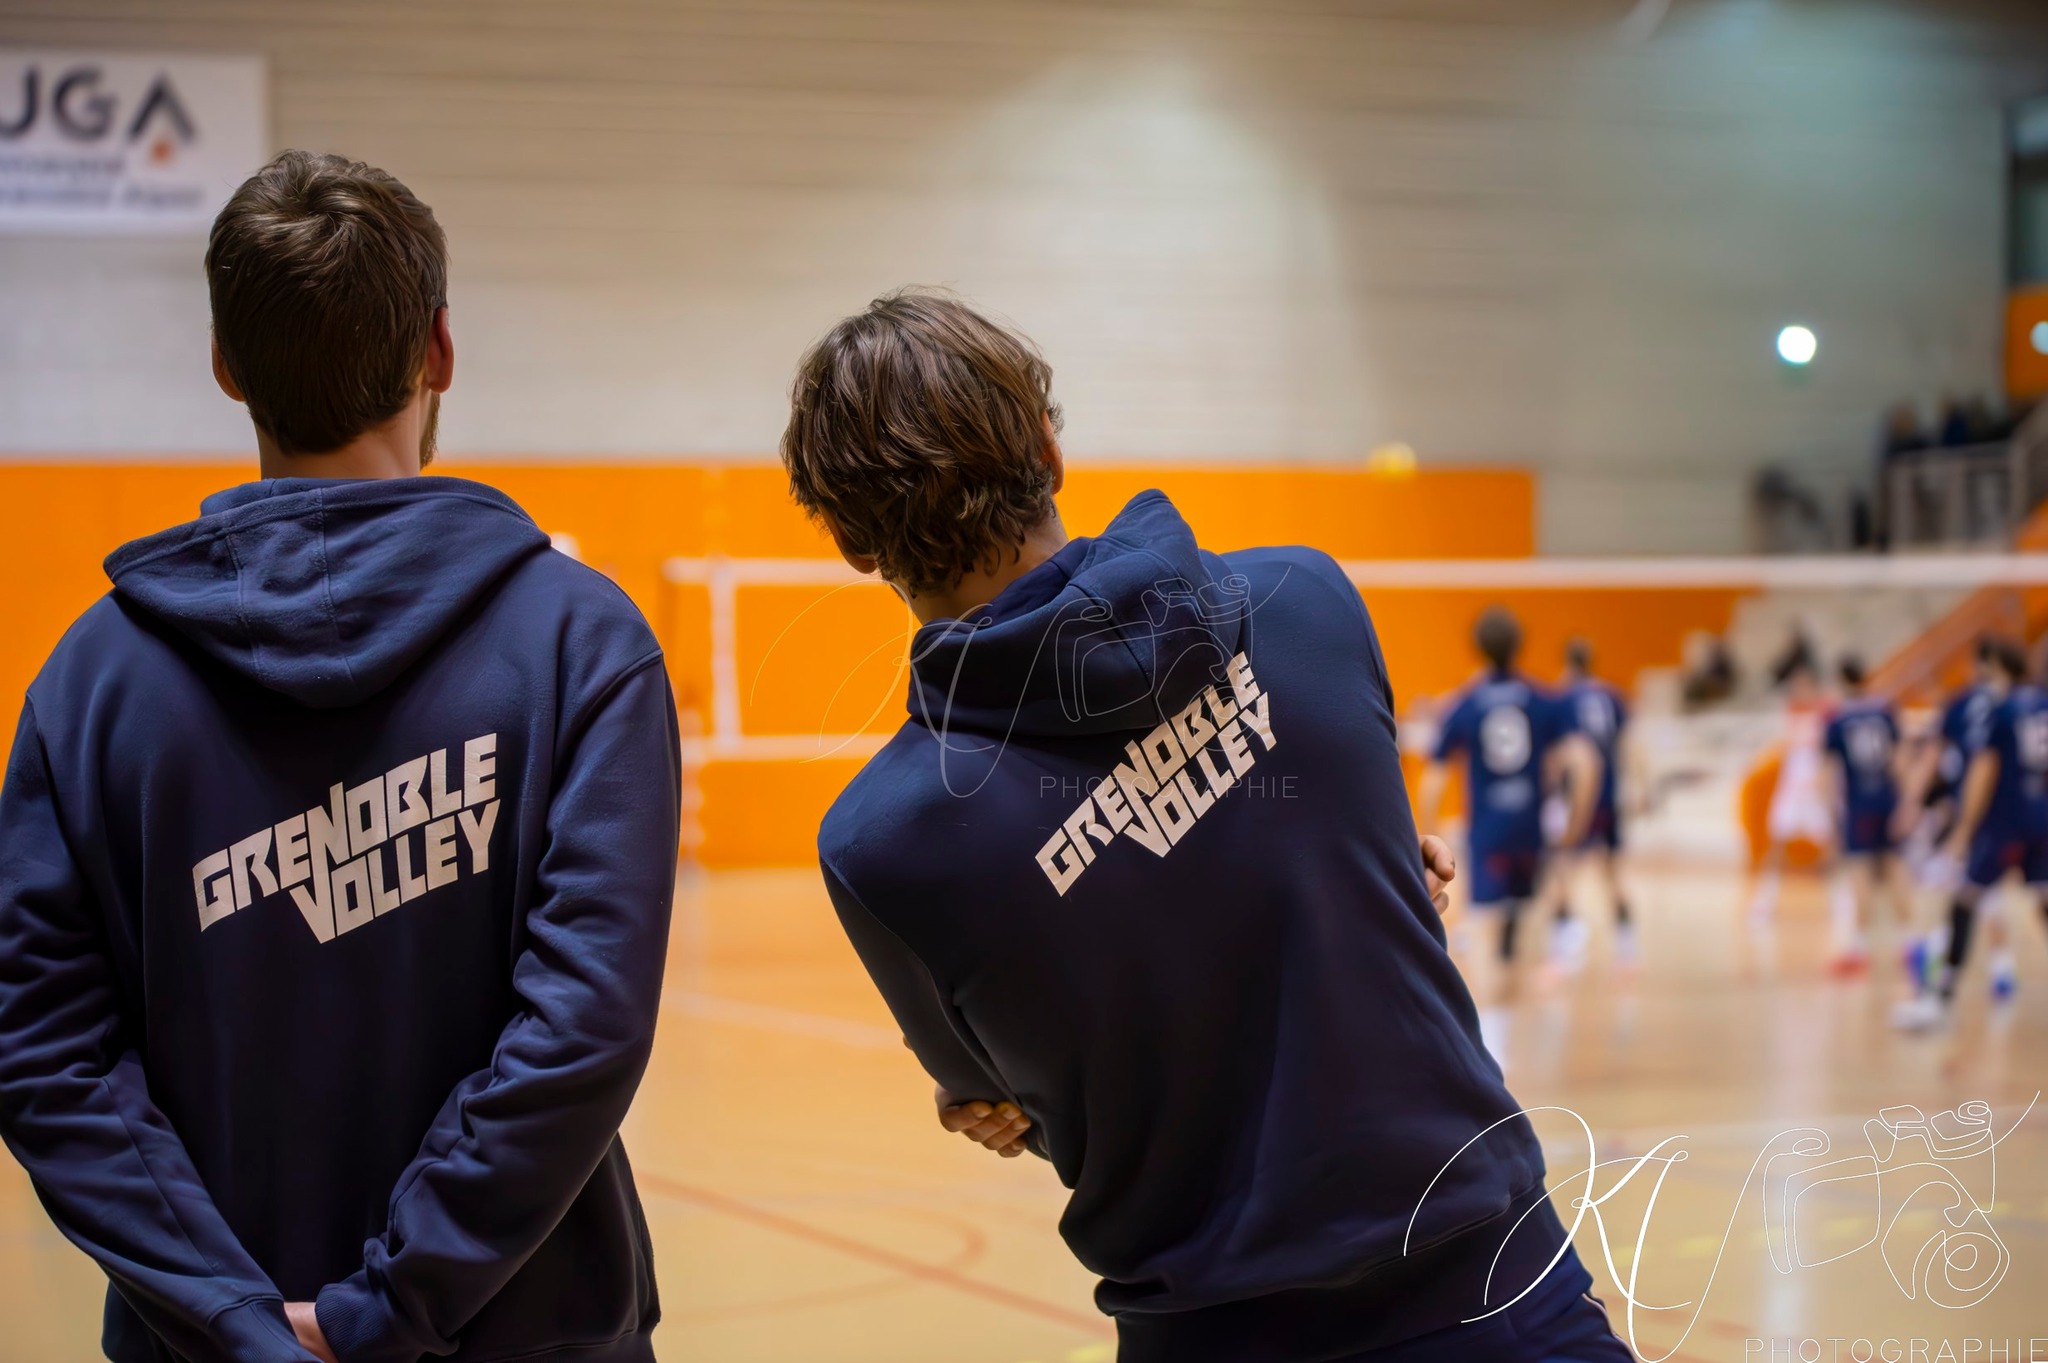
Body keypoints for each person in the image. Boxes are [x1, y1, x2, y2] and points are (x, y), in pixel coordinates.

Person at [778, 290, 1632, 1363]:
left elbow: (1010, 1105)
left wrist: (1007, 1105)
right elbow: (1353, 855)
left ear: (854, 546)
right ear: (1048, 445)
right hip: (1495, 1289)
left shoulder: (881, 847)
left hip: (1212, 1328)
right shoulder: (1306, 600)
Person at [0, 151, 679, 1363]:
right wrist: (390, 1305)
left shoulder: (88, 682)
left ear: (222, 363)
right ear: (440, 352)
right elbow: (581, 1027)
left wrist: (234, 1317)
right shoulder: (583, 642)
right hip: (530, 1329)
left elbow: (45, 1056)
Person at [1419, 610, 1600, 975]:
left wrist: (1430, 837)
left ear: (1478, 649)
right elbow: (1584, 761)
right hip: (1530, 830)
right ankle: (1522, 1017)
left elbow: (1433, 781)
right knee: (1528, 924)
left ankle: (1491, 1026)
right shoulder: (1541, 699)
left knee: (1485, 925)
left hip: (1489, 831)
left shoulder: (1466, 703)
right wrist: (1576, 824)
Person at [1894, 637, 2043, 1029]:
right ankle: (1999, 969)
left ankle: (1938, 998)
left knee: (1965, 900)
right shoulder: (2040, 706)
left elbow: (1983, 769)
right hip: (2041, 816)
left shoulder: (2000, 708)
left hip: (2004, 820)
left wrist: (1963, 828)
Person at [1545, 638, 1636, 968]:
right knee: (1612, 873)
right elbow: (1629, 744)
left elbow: (1560, 753)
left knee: (1562, 870)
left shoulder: (1562, 698)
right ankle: (1628, 944)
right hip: (1610, 794)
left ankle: (1563, 941)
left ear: (1567, 663)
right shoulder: (1613, 696)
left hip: (1578, 797)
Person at [1820, 656, 1912, 974]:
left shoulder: (1836, 719)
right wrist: (1906, 801)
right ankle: (1908, 941)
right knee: (1895, 866)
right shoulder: (1885, 711)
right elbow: (1900, 759)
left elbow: (1828, 772)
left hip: (1858, 802)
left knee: (1859, 871)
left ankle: (1859, 946)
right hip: (1886, 797)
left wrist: (1832, 814)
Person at [1748, 635, 1830, 923]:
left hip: (1816, 789)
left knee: (1834, 847)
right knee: (1777, 843)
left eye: (1803, 683)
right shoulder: (1792, 712)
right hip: (1793, 789)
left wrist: (1825, 789)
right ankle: (1764, 902)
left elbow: (1826, 755)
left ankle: (1840, 901)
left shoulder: (1827, 713)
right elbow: (1787, 748)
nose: (1798, 688)